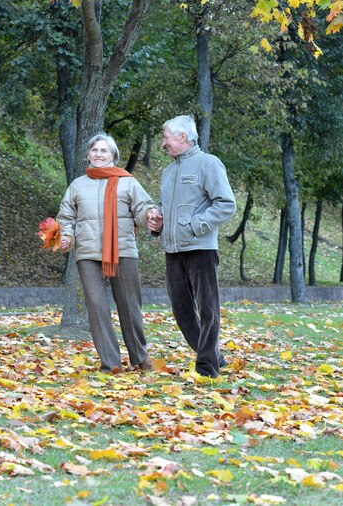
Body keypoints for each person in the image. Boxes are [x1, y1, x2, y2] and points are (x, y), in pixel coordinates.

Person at [57, 133, 157, 373]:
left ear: (113, 155)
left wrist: (150, 215)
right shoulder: (78, 185)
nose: (99, 154)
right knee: (96, 306)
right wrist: (67, 236)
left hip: (122, 251)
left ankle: (140, 357)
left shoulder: (128, 181)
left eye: (104, 150)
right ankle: (110, 363)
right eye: (95, 150)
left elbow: (143, 207)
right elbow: (66, 217)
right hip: (88, 253)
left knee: (129, 305)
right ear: (88, 154)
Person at [147, 115, 236, 379]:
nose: (163, 142)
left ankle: (207, 368)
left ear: (182, 137)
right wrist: (160, 221)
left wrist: (196, 225)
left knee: (208, 310)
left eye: (166, 137)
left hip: (201, 249)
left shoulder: (208, 164)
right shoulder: (169, 171)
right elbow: (172, 210)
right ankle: (215, 357)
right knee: (182, 311)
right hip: (173, 251)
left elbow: (225, 204)